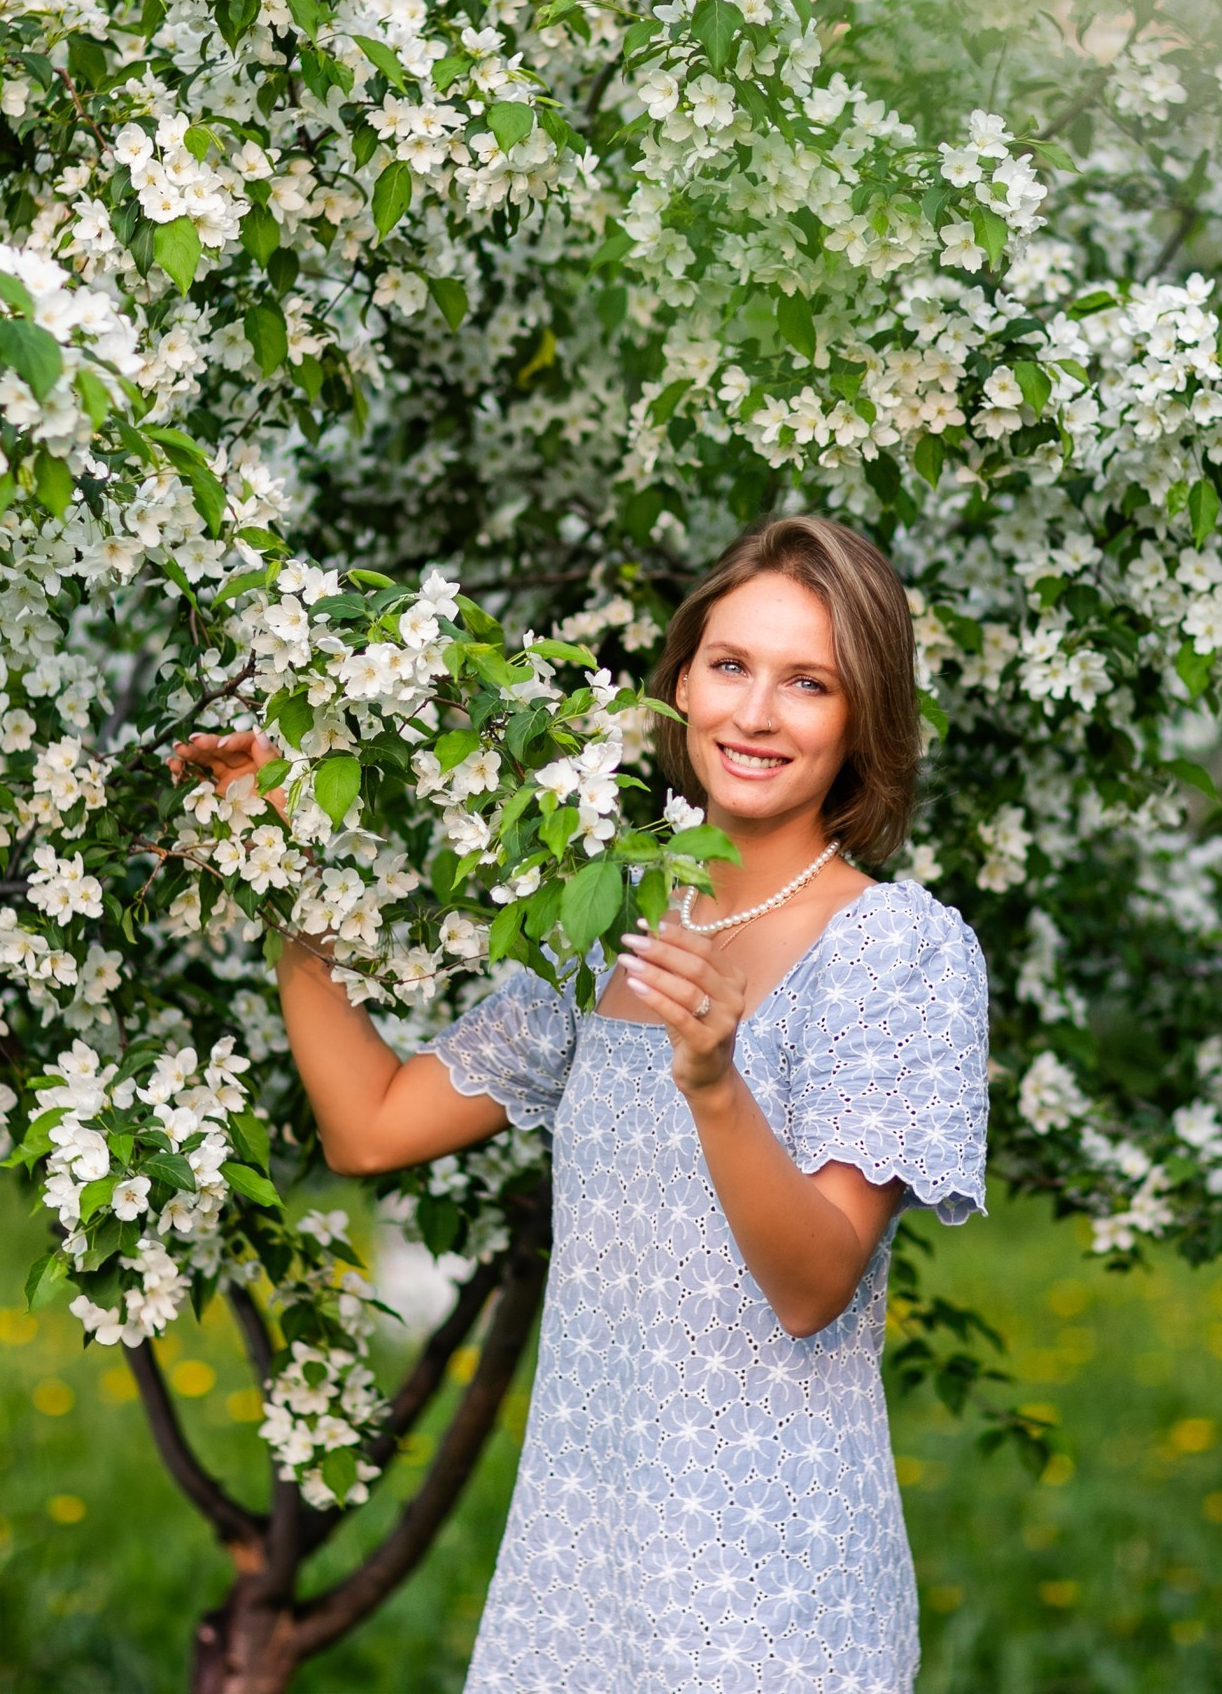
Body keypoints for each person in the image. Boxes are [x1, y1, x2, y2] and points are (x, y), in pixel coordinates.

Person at [174, 515, 991, 1692]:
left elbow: (815, 1285)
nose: (754, 714)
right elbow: (373, 1123)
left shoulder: (895, 951)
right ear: (679, 684)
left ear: (864, 717)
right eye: (729, 666)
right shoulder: (606, 920)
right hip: (580, 1573)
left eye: (807, 682)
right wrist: (277, 880)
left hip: (769, 1593)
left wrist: (713, 1078)